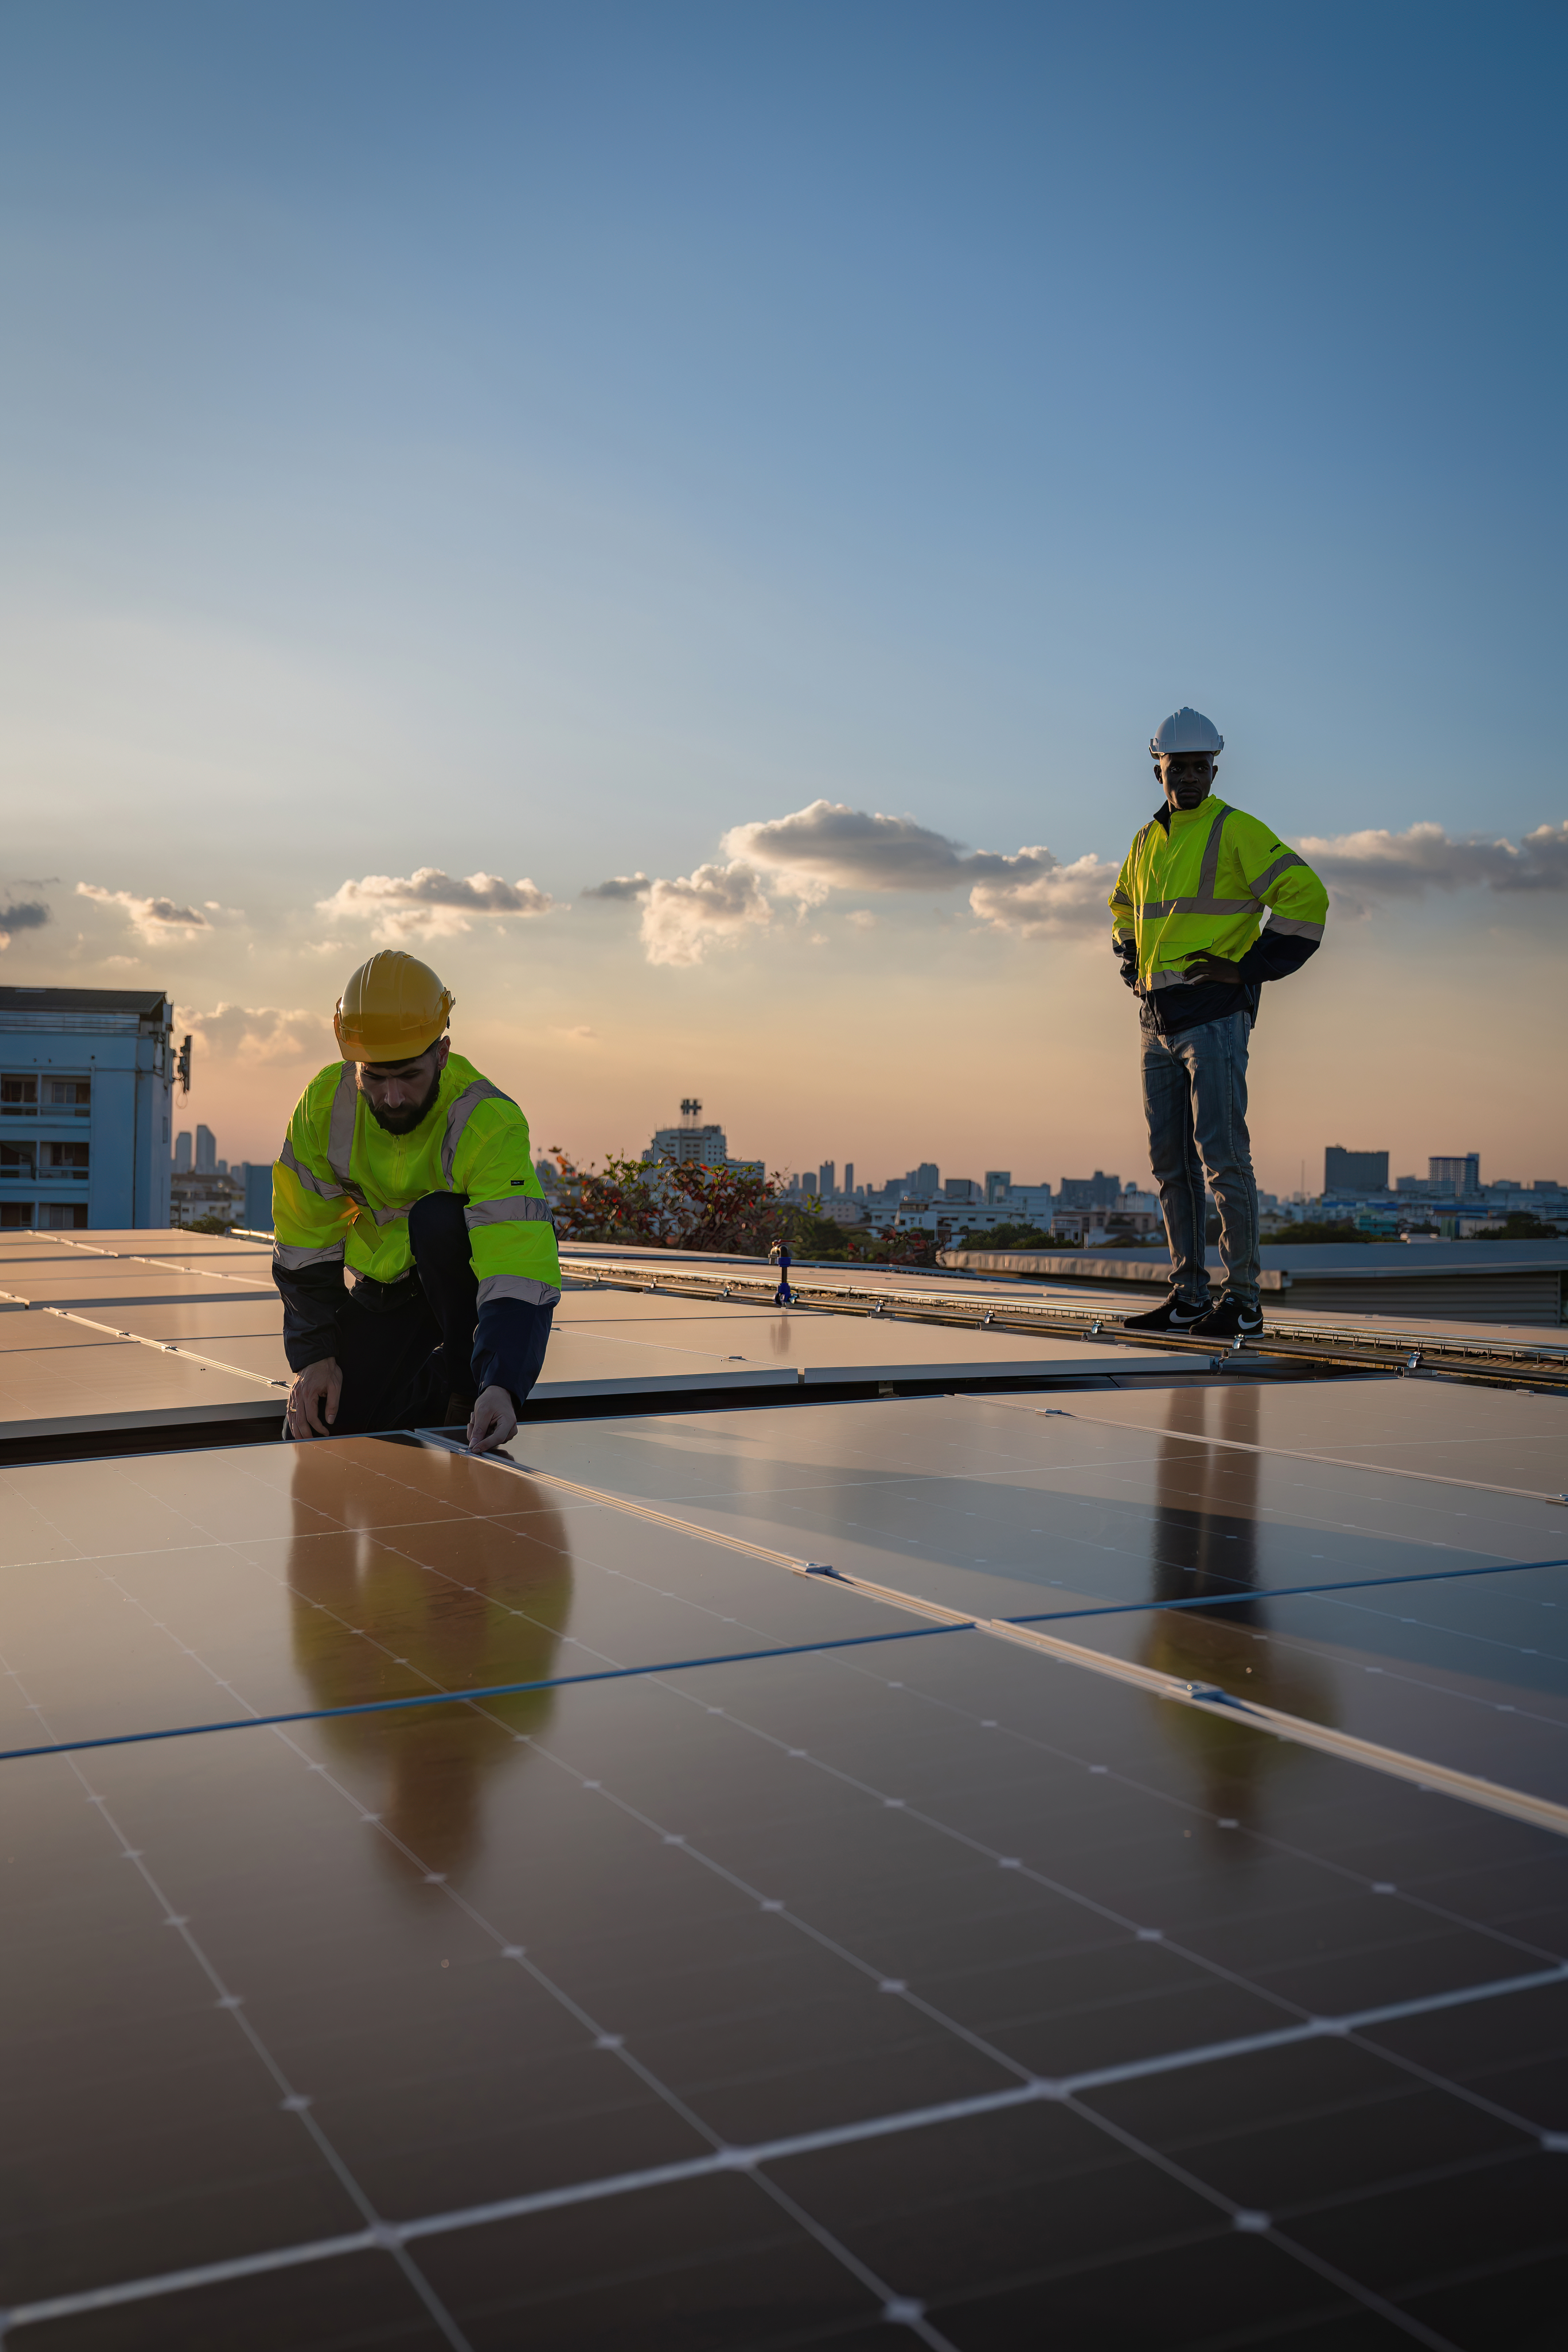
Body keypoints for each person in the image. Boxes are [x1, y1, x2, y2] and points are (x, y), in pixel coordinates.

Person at [271, 951, 561, 1453]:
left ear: (442, 1054)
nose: (392, 1097)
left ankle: (464, 1387)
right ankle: (433, 1386)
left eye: (408, 1075)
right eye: (374, 1077)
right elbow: (304, 1242)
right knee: (318, 1426)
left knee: (439, 1220)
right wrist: (316, 1355)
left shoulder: (486, 1121)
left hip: (460, 1289)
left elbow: (515, 1258)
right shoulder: (323, 1108)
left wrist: (502, 1382)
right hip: (388, 1289)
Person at [1110, 708, 1327, 1341]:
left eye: (1200, 767)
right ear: (1158, 770)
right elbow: (1123, 905)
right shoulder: (1145, 841)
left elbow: (1307, 897)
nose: (1189, 777)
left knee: (1224, 1159)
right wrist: (1131, 958)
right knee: (1170, 1165)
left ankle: (1243, 1303)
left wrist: (1247, 969)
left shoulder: (1235, 830)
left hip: (1212, 1018)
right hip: (1156, 1020)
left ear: (1214, 769)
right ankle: (1187, 1296)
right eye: (1177, 767)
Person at [768, 1234, 794, 1306]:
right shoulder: (780, 1248)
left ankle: (785, 1290)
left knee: (783, 1249)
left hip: (783, 1292)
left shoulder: (781, 1248)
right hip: (782, 1292)